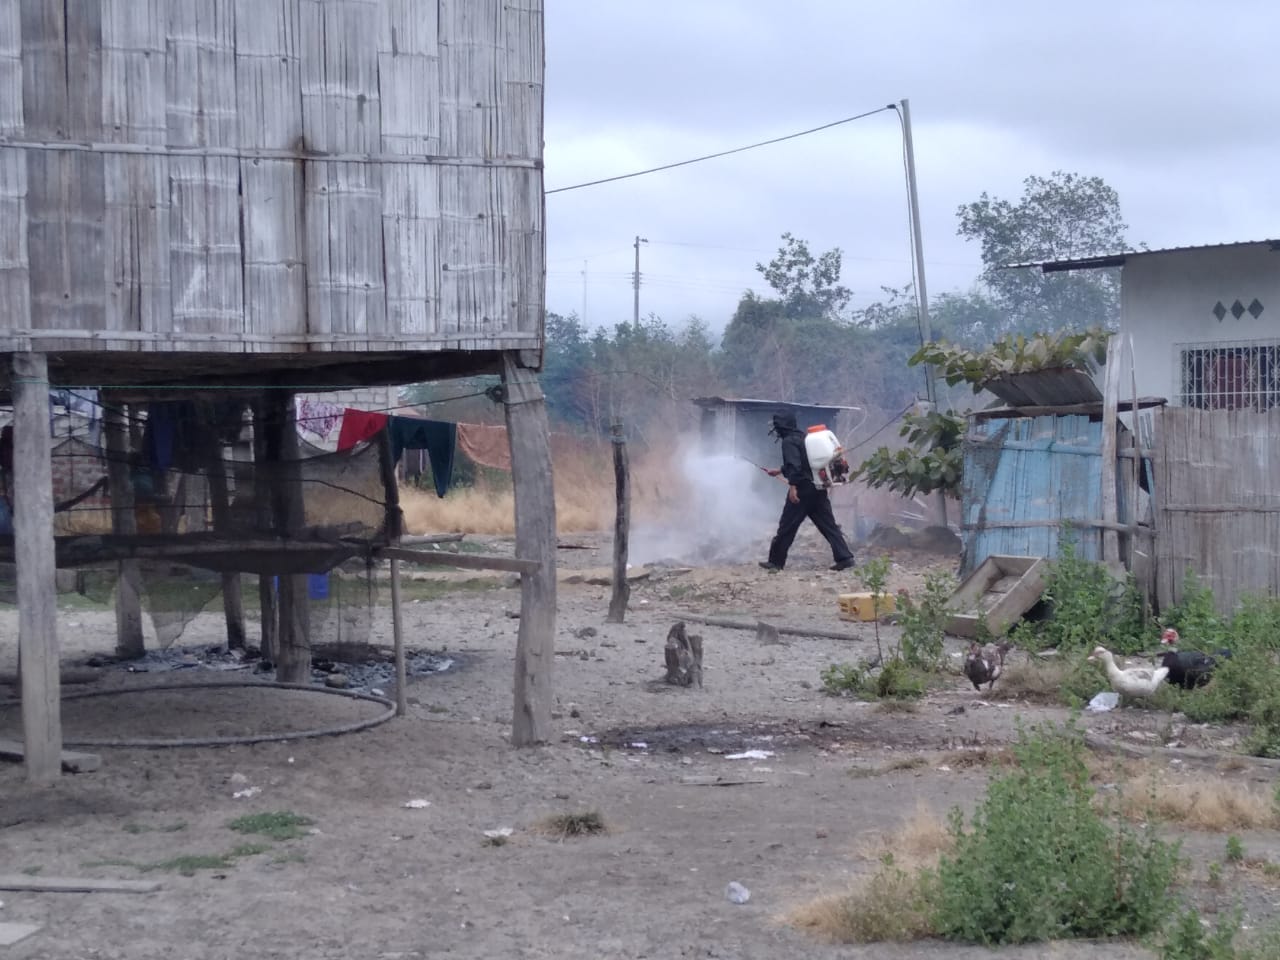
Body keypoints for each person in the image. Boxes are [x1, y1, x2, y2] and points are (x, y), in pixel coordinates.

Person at [760, 411, 856, 572]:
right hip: (818, 488)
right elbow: (805, 464)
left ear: (781, 426)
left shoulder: (788, 441)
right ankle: (845, 558)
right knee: (829, 525)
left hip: (802, 490)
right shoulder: (803, 438)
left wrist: (793, 487)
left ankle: (775, 562)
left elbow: (795, 466)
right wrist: (779, 470)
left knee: (787, 526)